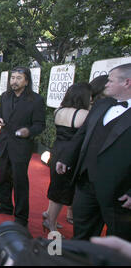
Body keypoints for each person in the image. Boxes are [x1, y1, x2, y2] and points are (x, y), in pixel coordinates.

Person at [56, 63, 131, 241]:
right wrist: (66, 157)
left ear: (127, 82)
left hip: (119, 192)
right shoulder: (101, 104)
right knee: (81, 233)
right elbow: (82, 135)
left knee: (118, 239)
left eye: (111, 81)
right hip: (86, 183)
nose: (106, 84)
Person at [0, 67, 46, 227]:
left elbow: (40, 125)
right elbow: (0, 116)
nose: (14, 81)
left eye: (18, 78)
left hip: (21, 146)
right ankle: (5, 205)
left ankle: (21, 216)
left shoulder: (36, 100)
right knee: (3, 177)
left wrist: (29, 131)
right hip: (5, 142)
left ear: (27, 81)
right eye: (12, 78)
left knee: (20, 181)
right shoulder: (5, 96)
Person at [42, 83, 91, 234]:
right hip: (71, 154)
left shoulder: (58, 110)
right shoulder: (84, 114)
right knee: (62, 190)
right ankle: (51, 225)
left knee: (56, 184)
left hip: (57, 150)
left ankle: (49, 214)